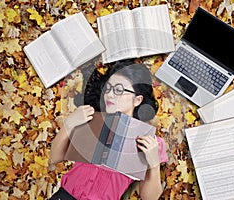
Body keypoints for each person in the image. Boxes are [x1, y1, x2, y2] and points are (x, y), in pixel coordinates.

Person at [50, 61, 168, 200]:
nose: (110, 95)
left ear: (137, 100)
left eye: (118, 90)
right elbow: (55, 157)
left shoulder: (150, 142)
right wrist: (69, 124)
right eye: (108, 88)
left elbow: (150, 198)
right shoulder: (89, 119)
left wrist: (153, 164)